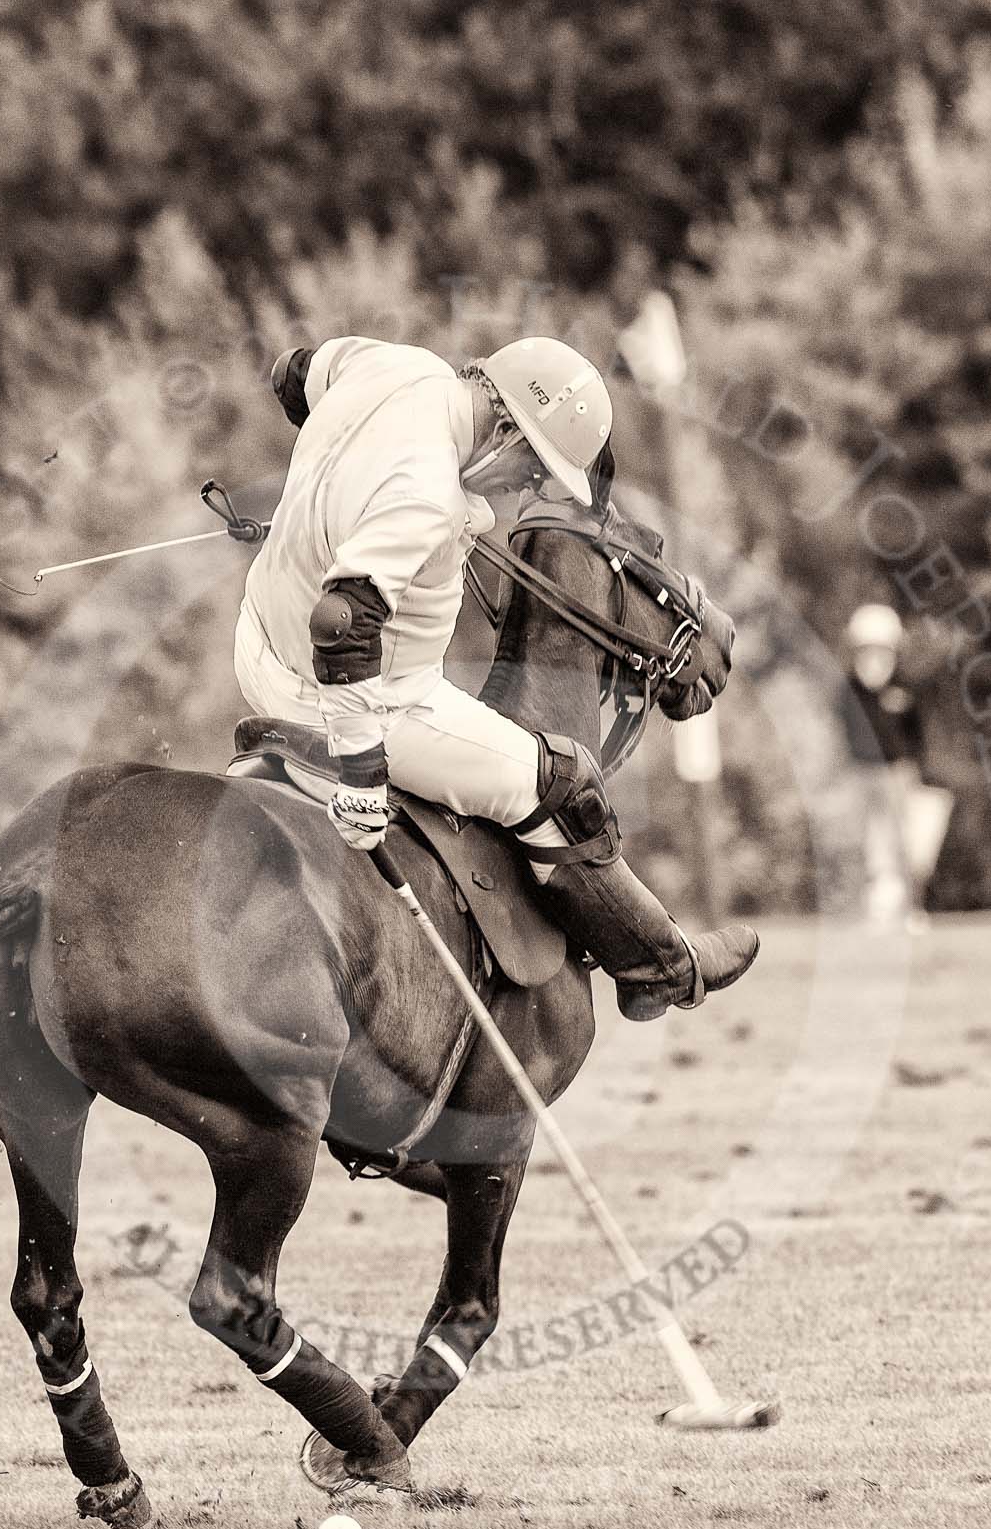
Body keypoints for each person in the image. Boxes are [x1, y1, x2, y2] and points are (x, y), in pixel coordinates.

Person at [233, 334, 758, 1020]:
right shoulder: (427, 496)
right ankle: (658, 966)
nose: (525, 487)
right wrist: (361, 770)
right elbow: (340, 620)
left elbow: (294, 372)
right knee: (557, 780)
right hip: (355, 697)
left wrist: (333, 500)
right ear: (505, 426)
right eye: (532, 467)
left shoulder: (397, 364)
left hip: (258, 644)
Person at [835, 603, 950, 926]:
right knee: (865, 845)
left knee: (906, 845)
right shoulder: (846, 692)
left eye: (881, 652)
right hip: (857, 776)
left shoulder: (906, 691)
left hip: (897, 775)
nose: (873, 661)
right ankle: (868, 912)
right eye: (866, 652)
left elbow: (917, 740)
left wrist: (915, 775)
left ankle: (911, 910)